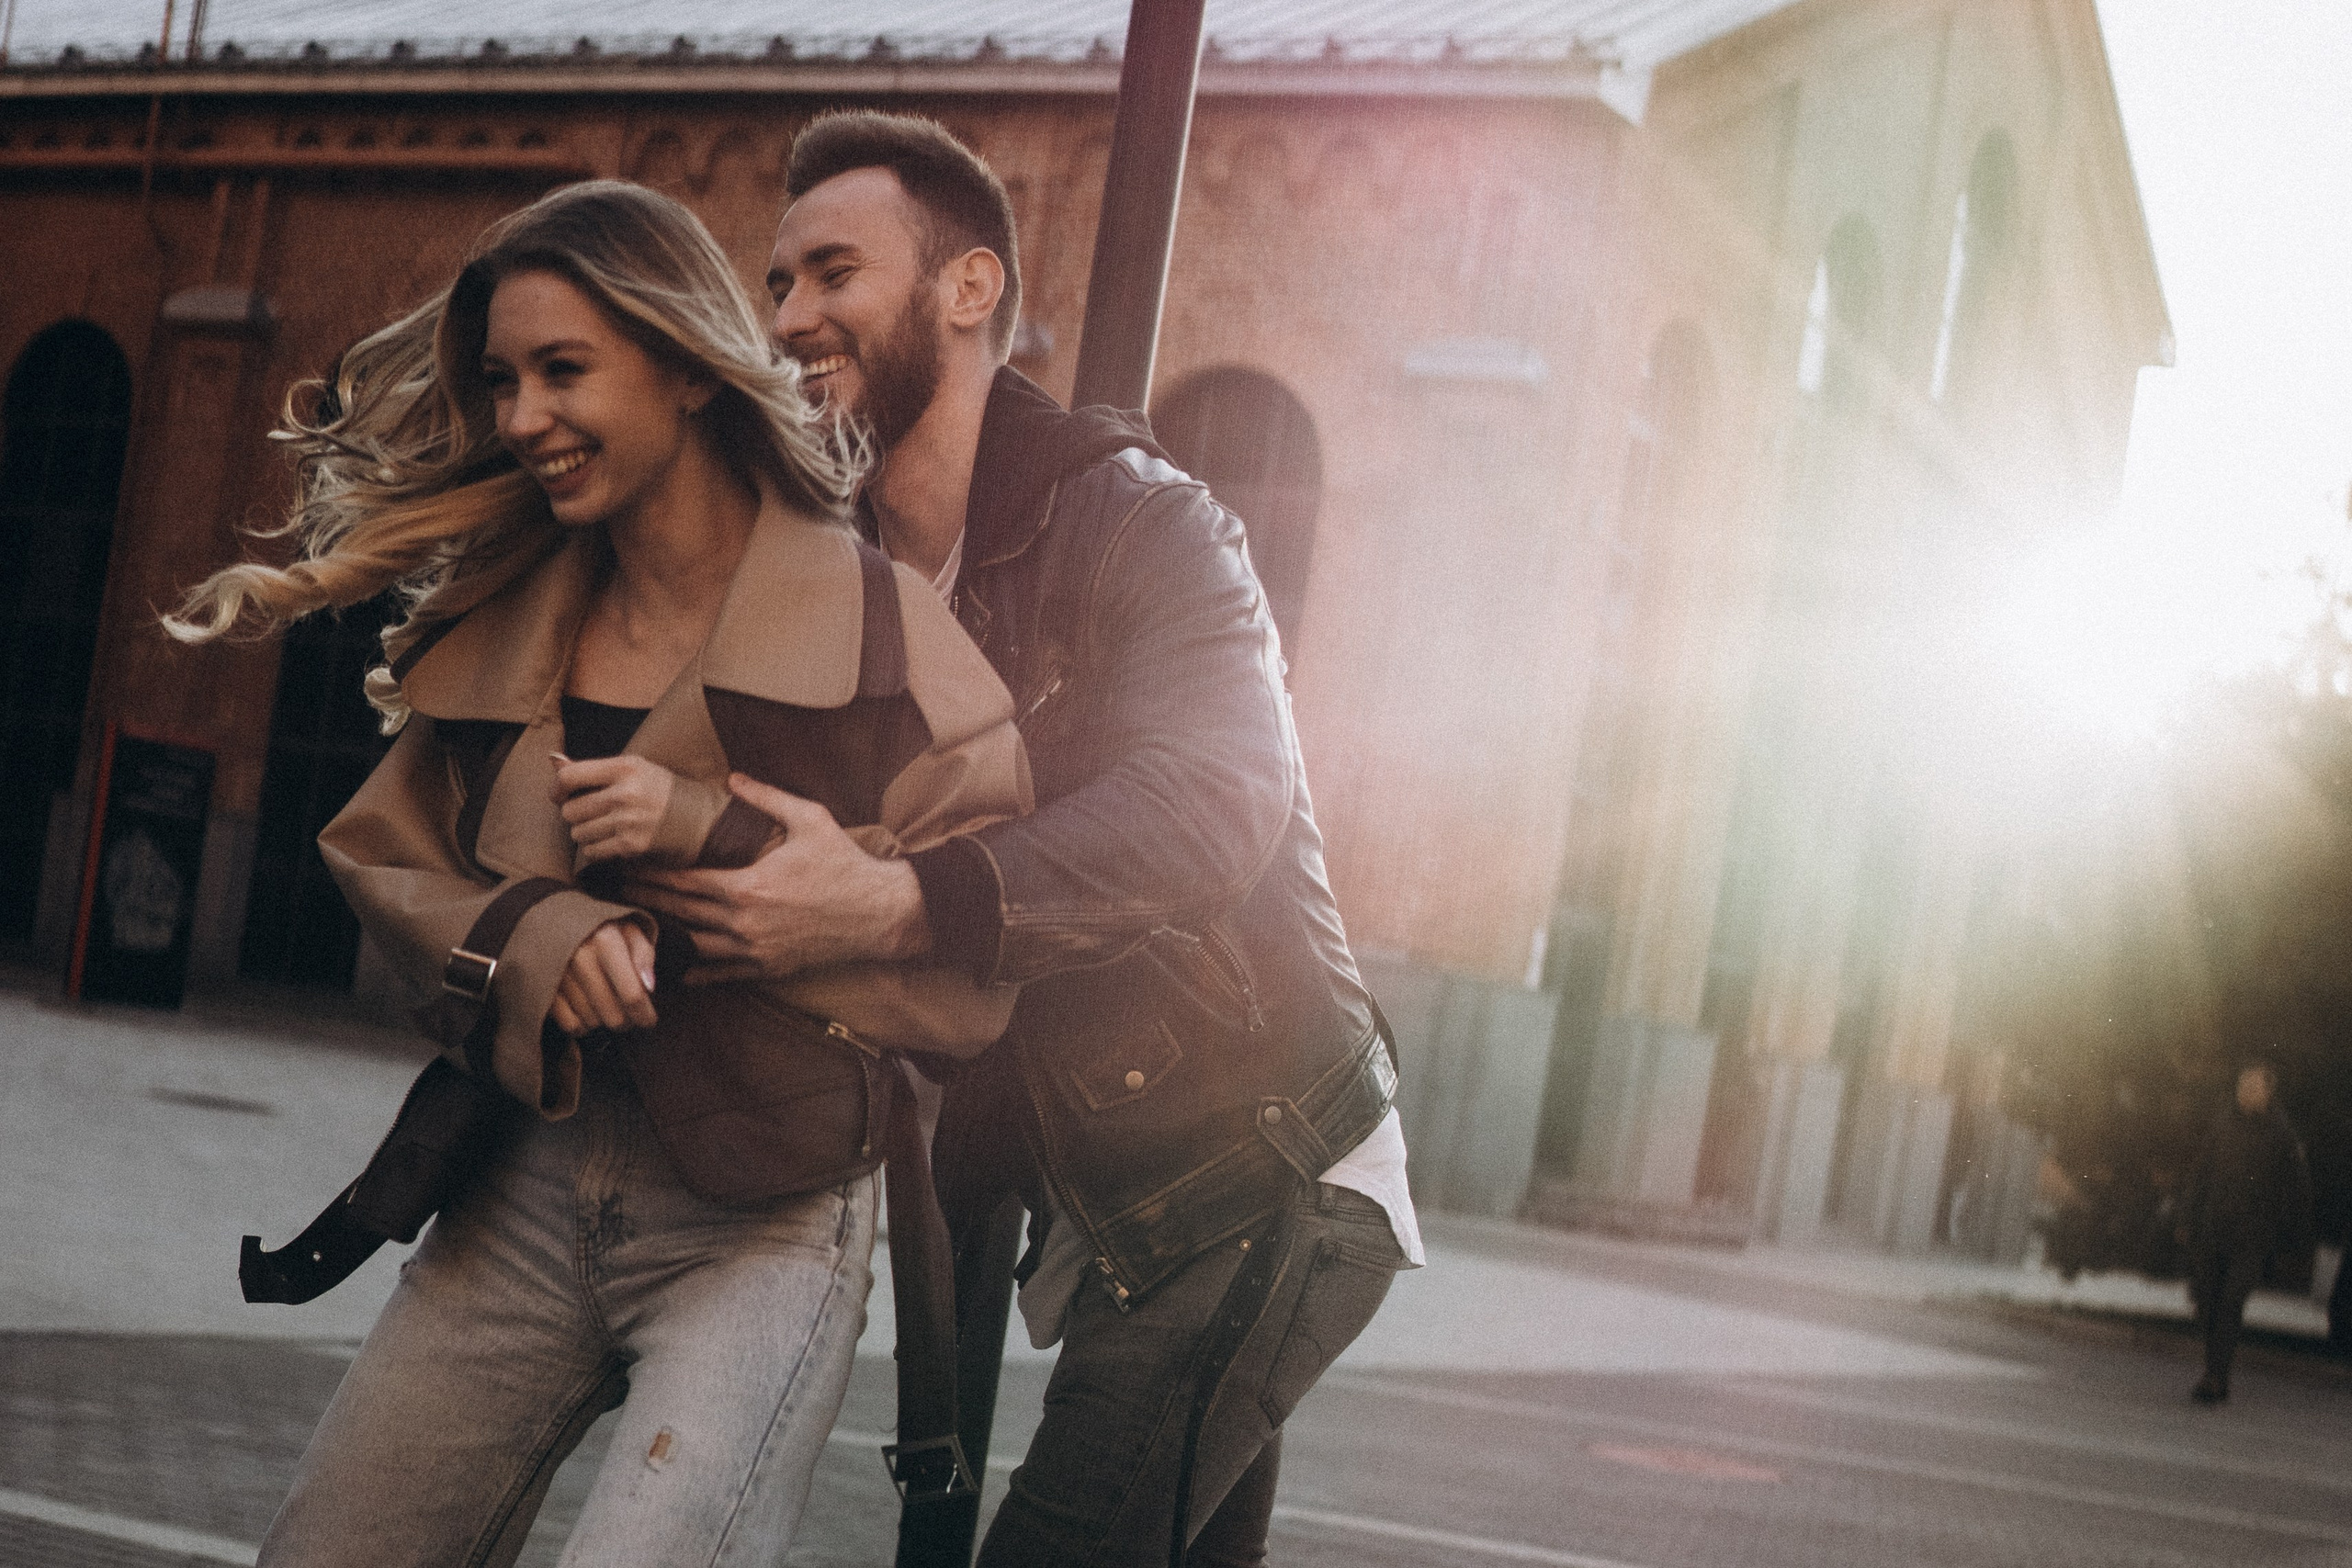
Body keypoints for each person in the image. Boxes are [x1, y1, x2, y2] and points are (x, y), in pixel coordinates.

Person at [165, 179, 1029, 1565]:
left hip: (768, 1213)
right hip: (516, 1182)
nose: (521, 418)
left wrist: (732, 843)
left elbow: (983, 947)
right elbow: (390, 860)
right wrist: (537, 935)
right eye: (504, 379)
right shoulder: (505, 615)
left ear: (687, 365)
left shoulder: (880, 624)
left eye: (564, 370)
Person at [629, 111, 1424, 1567]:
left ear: (968, 288)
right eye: (779, 281)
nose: (791, 315)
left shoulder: (1142, 525)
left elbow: (1211, 802)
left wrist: (895, 904)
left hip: (1264, 1174)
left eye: (832, 272)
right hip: (1119, 1212)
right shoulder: (839, 577)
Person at [2180, 1059, 2314, 1404]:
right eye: (2243, 1086)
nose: (2246, 1093)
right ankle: (2214, 1372)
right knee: (2207, 1302)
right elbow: (2202, 1174)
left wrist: (2285, 1237)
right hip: (2214, 1230)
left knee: (2230, 1303)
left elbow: (2294, 1189)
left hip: (2252, 1238)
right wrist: (2189, 1219)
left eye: (2254, 1087)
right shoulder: (2223, 1125)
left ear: (2269, 1093)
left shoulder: (2281, 1134)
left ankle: (2215, 1377)